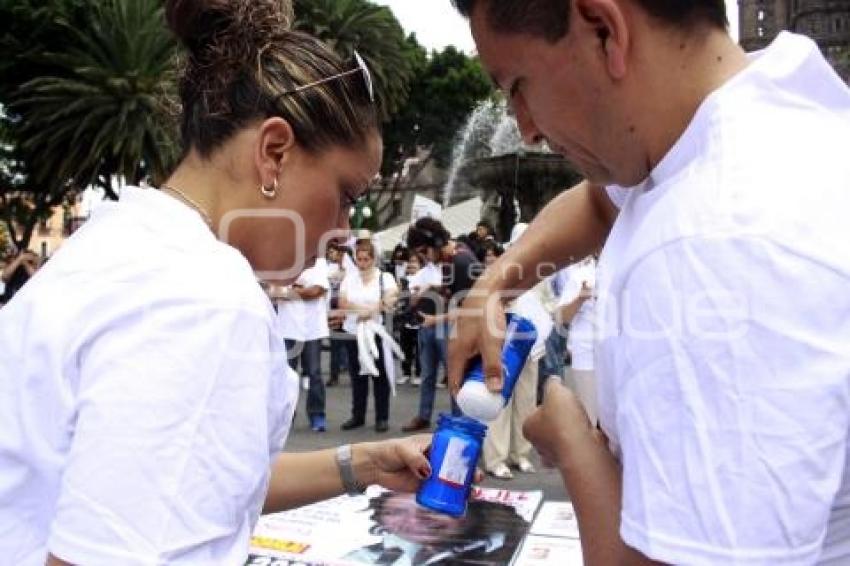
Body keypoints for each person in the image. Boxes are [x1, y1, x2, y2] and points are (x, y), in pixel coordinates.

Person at [0, 2, 433, 564]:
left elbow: (183, 483)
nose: (344, 232)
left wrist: (363, 466)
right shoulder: (204, 300)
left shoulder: (127, 241)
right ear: (274, 152)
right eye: (347, 196)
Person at [449, 0, 850, 564]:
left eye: (517, 86)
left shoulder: (713, 248)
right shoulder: (763, 113)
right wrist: (492, 285)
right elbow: (599, 202)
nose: (528, 129)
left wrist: (573, 441)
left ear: (603, 28)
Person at [401, 217, 482, 432]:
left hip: (465, 329)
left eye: (423, 251)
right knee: (433, 374)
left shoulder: (461, 262)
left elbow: (467, 308)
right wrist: (430, 288)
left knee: (455, 376)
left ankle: (461, 424)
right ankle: (436, 418)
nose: (423, 258)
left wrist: (434, 320)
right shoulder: (451, 257)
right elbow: (451, 293)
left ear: (435, 243)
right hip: (455, 325)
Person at [345, 491, 527, 565]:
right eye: (396, 512)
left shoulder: (505, 546)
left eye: (431, 511)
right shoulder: (370, 556)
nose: (413, 521)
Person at [338, 238, 400, 432]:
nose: (362, 263)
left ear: (373, 259)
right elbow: (343, 303)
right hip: (353, 331)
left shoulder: (385, 277)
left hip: (375, 331)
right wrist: (362, 310)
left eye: (366, 259)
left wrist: (371, 310)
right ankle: (358, 415)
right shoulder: (350, 277)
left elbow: (391, 298)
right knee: (357, 376)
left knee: (379, 375)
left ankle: (382, 417)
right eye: (359, 259)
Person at [271, 256, 331, 432]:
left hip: (312, 329)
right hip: (287, 327)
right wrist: (299, 290)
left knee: (315, 373)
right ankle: (286, 416)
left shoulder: (317, 261)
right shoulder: (282, 258)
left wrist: (289, 292)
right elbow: (272, 291)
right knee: (285, 375)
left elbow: (317, 291)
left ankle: (317, 414)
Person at [555, 254, 598, 425]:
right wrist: (580, 299)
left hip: (619, 357)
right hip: (587, 356)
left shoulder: (621, 269)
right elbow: (560, 317)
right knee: (590, 418)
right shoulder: (581, 275)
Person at [395, 251, 424, 385]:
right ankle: (406, 372)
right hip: (405, 318)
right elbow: (398, 296)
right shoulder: (403, 280)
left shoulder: (424, 280)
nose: (412, 265)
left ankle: (419, 374)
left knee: (419, 349)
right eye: (410, 262)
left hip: (419, 318)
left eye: (415, 262)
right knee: (405, 347)